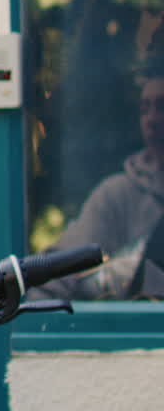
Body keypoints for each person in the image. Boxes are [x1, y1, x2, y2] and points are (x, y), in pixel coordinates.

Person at [30, 61, 164, 300]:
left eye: (162, 107)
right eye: (145, 109)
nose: (152, 119)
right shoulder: (116, 196)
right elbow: (50, 282)